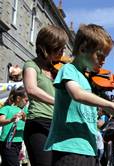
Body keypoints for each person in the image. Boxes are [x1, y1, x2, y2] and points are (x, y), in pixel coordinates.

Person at [44, 24, 114, 166]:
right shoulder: (68, 69)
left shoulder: (86, 79)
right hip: (69, 146)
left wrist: (113, 109)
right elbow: (76, 94)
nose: (104, 61)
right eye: (100, 55)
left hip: (88, 148)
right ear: (83, 49)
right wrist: (111, 104)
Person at [23, 25, 69, 166]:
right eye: (58, 49)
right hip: (39, 122)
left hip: (59, 125)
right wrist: (57, 101)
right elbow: (31, 89)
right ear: (46, 47)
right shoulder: (31, 65)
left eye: (63, 48)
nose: (62, 52)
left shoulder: (59, 69)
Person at [0, 86, 28, 166]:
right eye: (26, 100)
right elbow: (1, 121)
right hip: (7, 142)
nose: (27, 102)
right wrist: (11, 120)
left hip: (18, 142)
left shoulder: (25, 110)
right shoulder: (7, 108)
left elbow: (29, 122)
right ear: (18, 98)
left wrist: (24, 118)